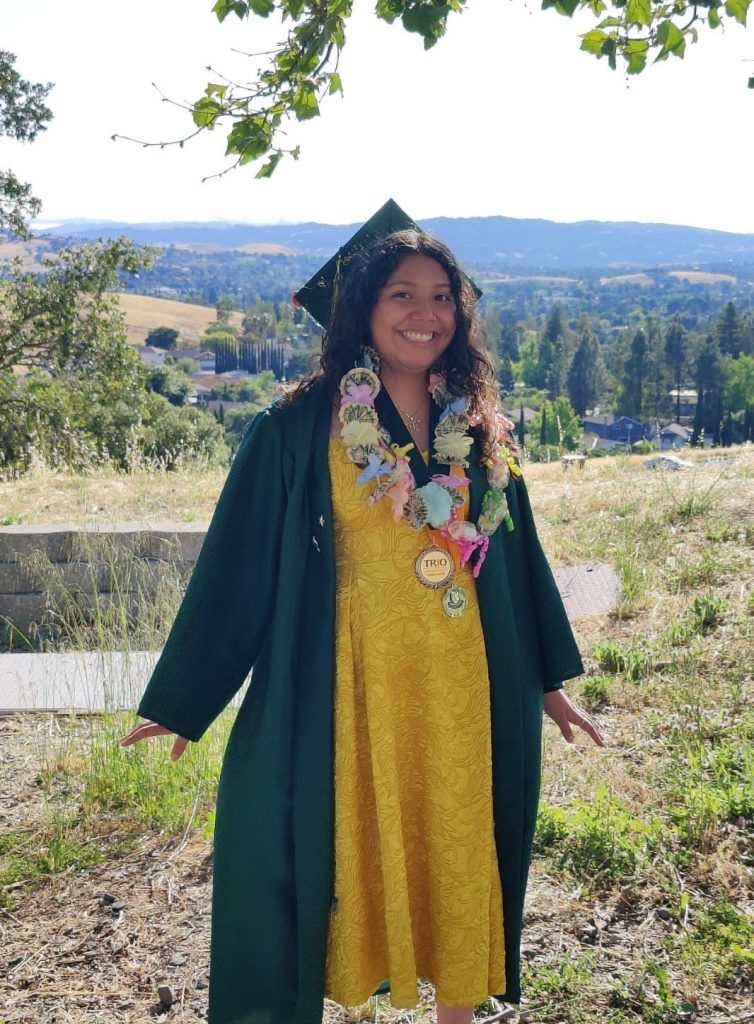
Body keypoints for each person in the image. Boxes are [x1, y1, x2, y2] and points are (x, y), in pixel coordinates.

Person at [122, 203, 605, 1024]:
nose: (427, 316)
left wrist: (549, 677)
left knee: (459, 848)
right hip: (356, 688)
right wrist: (183, 699)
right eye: (402, 297)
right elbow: (237, 563)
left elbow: (518, 556)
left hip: (467, 687)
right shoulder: (300, 426)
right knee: (352, 852)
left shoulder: (477, 426)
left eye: (443, 297)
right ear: (362, 311)